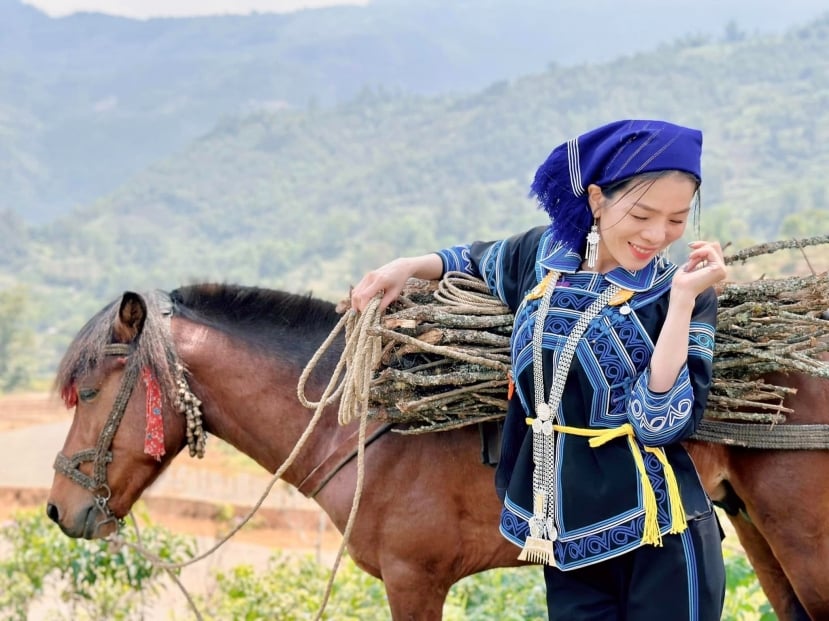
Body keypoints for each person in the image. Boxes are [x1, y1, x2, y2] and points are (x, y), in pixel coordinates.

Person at [351, 119, 727, 621]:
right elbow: (473, 257)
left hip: (658, 533)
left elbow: (660, 423)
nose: (658, 235)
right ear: (597, 200)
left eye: (677, 221)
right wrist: (404, 266)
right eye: (642, 214)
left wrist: (682, 302)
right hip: (563, 535)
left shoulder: (679, 293)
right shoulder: (543, 257)